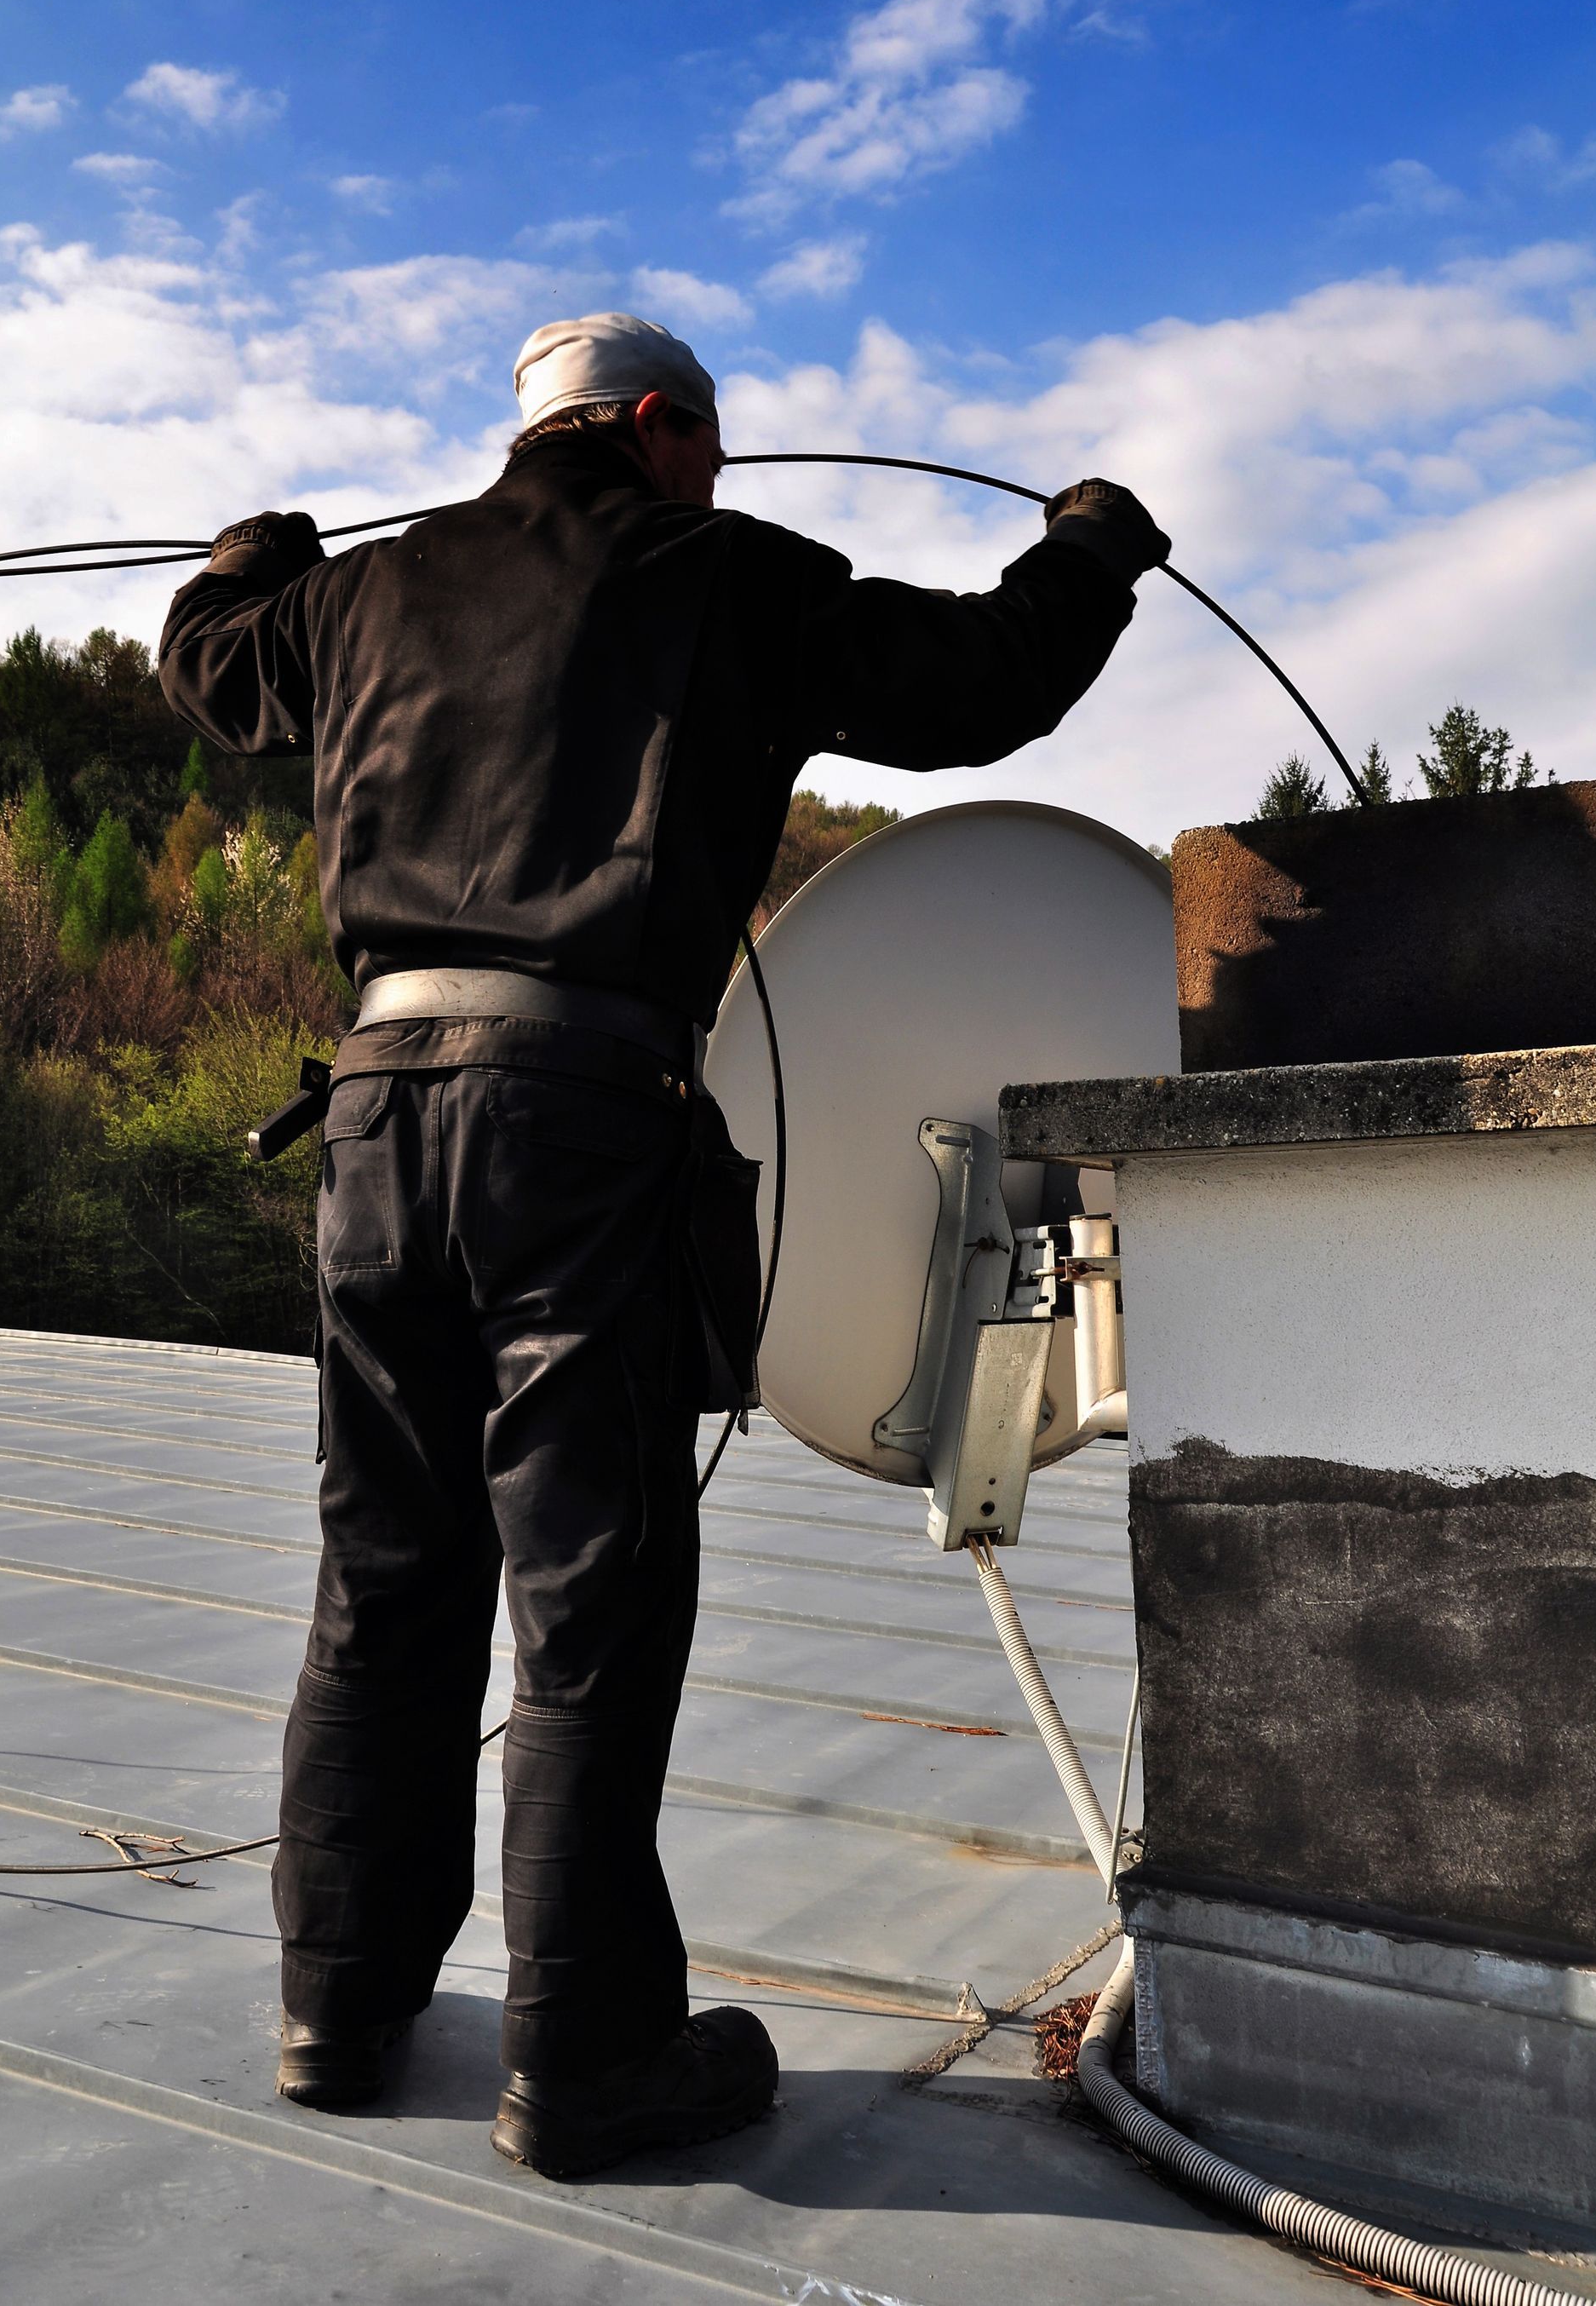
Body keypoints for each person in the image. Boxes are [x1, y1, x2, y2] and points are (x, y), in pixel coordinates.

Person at [157, 311, 1169, 2179]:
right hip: (582, 1130)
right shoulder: (728, 577)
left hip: (377, 1126)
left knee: (384, 1576)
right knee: (590, 1605)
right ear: (652, 430)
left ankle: (337, 2002)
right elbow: (978, 684)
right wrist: (1091, 550)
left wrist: (249, 566)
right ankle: (590, 2056)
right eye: (705, 447)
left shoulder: (359, 600)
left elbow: (214, 668)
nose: (715, 474)